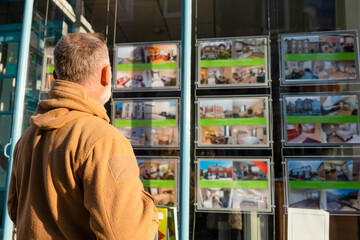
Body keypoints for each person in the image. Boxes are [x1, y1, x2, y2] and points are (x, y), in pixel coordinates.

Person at [7, 33, 159, 239]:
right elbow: (128, 233)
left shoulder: (27, 138)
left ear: (55, 76)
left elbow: (15, 210)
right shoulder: (105, 141)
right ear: (106, 74)